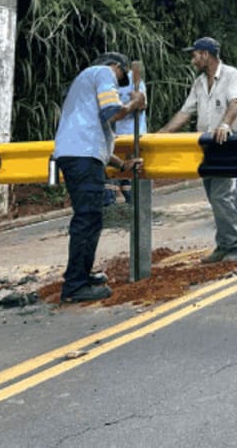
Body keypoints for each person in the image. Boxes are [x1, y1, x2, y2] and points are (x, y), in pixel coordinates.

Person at [52, 52, 145, 302]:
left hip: (78, 155)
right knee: (88, 219)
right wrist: (134, 104)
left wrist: (122, 164)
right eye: (121, 77)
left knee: (89, 217)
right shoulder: (103, 73)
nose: (118, 83)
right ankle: (75, 286)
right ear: (117, 67)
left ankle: (81, 274)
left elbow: (97, 137)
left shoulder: (82, 85)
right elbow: (112, 113)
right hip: (81, 156)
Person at [157, 37, 237, 264]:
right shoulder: (199, 83)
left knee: (221, 195)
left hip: (227, 142)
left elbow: (236, 102)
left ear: (206, 55)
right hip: (206, 145)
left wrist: (225, 125)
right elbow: (185, 113)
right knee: (213, 196)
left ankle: (236, 245)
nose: (192, 59)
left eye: (195, 55)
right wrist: (160, 135)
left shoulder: (231, 75)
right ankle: (224, 244)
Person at [113, 63, 147, 205]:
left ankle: (134, 206)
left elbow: (143, 105)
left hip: (133, 133)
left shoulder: (134, 80)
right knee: (114, 173)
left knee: (132, 172)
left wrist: (136, 100)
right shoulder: (108, 82)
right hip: (115, 135)